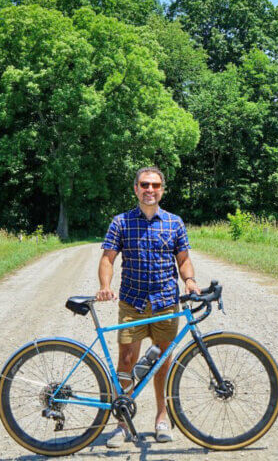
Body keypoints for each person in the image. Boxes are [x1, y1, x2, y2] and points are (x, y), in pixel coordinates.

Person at [96, 166, 200, 448]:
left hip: (166, 302)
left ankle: (162, 418)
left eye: (155, 185)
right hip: (133, 302)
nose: (149, 190)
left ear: (162, 189)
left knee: (163, 363)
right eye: (144, 184)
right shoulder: (121, 222)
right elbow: (108, 258)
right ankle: (122, 423)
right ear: (136, 189)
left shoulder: (175, 223)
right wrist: (105, 286)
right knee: (127, 361)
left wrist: (189, 281)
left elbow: (183, 259)